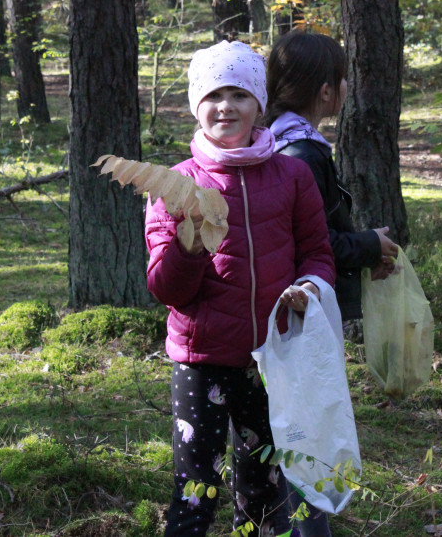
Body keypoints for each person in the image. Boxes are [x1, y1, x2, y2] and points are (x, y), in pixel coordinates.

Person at [145, 39, 336, 537]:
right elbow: (166, 289)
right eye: (212, 95)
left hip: (269, 360)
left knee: (263, 483)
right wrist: (188, 246)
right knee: (195, 486)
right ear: (196, 106)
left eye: (238, 94)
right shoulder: (175, 185)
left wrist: (311, 287)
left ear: (259, 104)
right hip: (201, 361)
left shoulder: (292, 176)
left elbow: (317, 249)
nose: (225, 105)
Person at [265, 30, 401, 537]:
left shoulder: (278, 139)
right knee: (306, 428)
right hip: (300, 315)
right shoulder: (301, 151)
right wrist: (366, 246)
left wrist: (367, 251)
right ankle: (305, 528)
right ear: (327, 91)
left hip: (292, 308)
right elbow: (312, 242)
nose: (345, 89)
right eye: (343, 81)